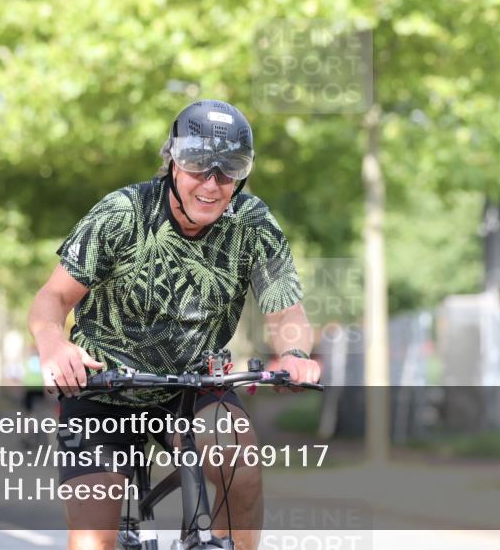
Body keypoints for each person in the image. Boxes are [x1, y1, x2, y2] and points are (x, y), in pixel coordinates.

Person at [28, 99, 320, 550]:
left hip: (194, 381)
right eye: (198, 165)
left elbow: (285, 311)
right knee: (92, 539)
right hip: (102, 385)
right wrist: (53, 346)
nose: (212, 183)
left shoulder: (253, 223)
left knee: (240, 466)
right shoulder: (123, 213)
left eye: (230, 170)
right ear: (172, 162)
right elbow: (52, 298)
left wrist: (297, 355)